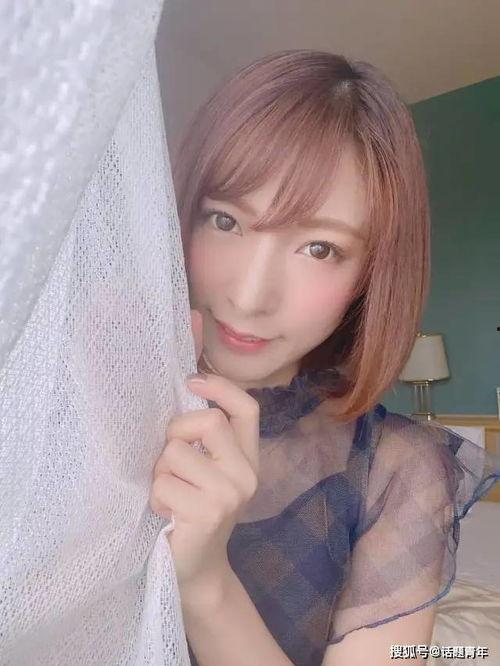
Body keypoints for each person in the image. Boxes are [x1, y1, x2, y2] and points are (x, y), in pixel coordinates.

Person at [149, 50, 500, 666]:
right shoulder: (83, 395)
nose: (249, 297)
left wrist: (206, 587)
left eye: (318, 248)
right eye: (225, 220)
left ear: (370, 276)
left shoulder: (398, 472)